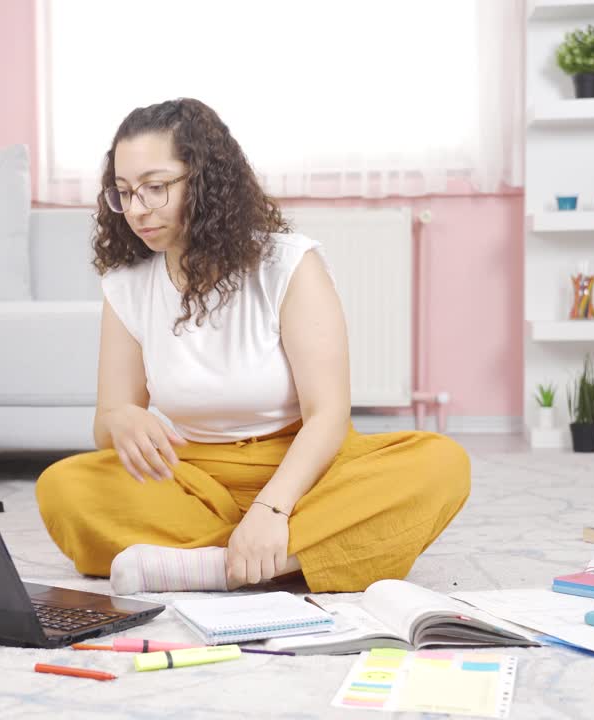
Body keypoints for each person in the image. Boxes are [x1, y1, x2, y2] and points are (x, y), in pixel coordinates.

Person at [36, 98, 470, 595]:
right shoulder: (127, 285)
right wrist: (121, 421)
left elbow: (327, 415)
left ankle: (210, 566)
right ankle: (289, 557)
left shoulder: (288, 264)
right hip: (192, 477)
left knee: (439, 463)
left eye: (155, 188)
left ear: (203, 179)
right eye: (124, 192)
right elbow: (107, 421)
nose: (137, 209)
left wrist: (271, 508)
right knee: (63, 488)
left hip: (307, 470)